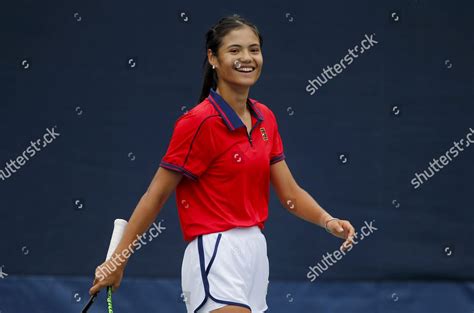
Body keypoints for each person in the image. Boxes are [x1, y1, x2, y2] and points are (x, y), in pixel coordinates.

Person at [89, 14, 355, 313]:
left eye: (254, 49)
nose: (247, 58)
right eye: (235, 50)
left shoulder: (265, 117)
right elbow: (156, 196)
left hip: (255, 253)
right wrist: (118, 261)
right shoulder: (198, 122)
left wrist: (327, 220)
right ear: (213, 58)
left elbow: (290, 194)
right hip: (215, 252)